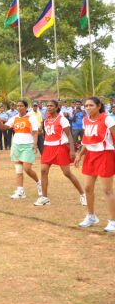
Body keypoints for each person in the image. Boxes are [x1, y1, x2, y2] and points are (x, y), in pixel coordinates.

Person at [74, 97, 115, 232]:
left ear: (99, 106)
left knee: (107, 190)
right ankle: (91, 216)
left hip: (105, 154)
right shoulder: (85, 120)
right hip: (90, 155)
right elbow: (86, 140)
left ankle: (113, 221)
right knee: (87, 187)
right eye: (86, 106)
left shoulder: (107, 119)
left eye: (91, 105)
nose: (88, 108)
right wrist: (80, 155)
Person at [36, 100, 86, 207]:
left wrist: (72, 150)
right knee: (43, 171)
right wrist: (39, 131)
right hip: (48, 147)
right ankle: (44, 198)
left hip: (60, 147)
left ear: (56, 107)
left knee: (67, 173)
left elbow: (69, 136)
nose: (49, 107)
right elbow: (47, 133)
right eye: (48, 106)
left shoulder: (62, 119)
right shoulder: (46, 120)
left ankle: (83, 194)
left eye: (51, 106)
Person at [0, 100, 42, 199]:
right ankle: (20, 191)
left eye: (21, 106)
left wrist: (35, 144)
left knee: (27, 168)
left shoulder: (31, 117)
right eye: (18, 106)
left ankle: (39, 182)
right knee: (18, 170)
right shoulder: (14, 118)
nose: (19, 107)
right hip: (16, 145)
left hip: (28, 145)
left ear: (26, 107)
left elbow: (35, 132)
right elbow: (4, 128)